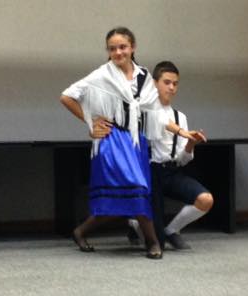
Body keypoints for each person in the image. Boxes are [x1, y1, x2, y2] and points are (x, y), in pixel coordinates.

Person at [61, 27, 171, 259]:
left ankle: (80, 231)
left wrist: (180, 130)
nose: (118, 52)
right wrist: (91, 121)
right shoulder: (102, 75)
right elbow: (67, 96)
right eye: (113, 48)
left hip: (136, 141)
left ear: (133, 47)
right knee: (137, 188)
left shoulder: (144, 76)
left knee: (122, 196)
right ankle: (152, 242)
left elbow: (155, 110)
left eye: (123, 47)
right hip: (112, 141)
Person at [128, 61, 212, 250]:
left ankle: (171, 230)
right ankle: (135, 223)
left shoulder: (180, 117)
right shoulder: (143, 111)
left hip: (171, 172)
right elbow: (157, 122)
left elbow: (183, 160)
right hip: (149, 173)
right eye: (167, 82)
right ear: (155, 83)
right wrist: (181, 132)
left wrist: (191, 143)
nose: (172, 87)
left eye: (175, 83)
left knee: (205, 199)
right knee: (158, 245)